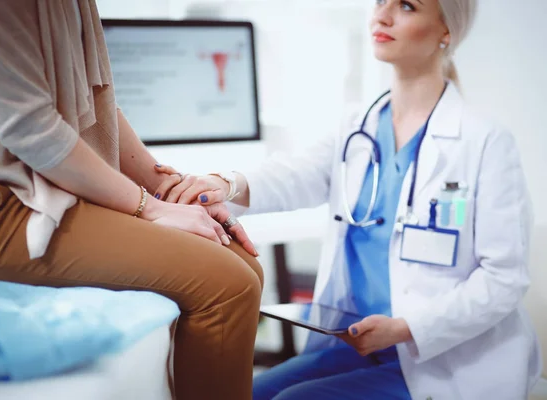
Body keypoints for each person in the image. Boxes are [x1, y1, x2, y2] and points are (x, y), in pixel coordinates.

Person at [152, 0, 542, 398]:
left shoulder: (485, 142)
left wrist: (406, 328)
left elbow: (503, 280)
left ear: (447, 32)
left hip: (439, 358)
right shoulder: (358, 126)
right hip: (356, 343)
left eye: (407, 6)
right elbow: (295, 175)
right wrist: (224, 183)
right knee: (245, 392)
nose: (382, 15)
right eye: (380, 2)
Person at [0, 1, 262, 399]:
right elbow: (32, 130)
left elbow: (93, 100)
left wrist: (174, 189)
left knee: (240, 257)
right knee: (229, 286)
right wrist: (153, 208)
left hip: (40, 186)